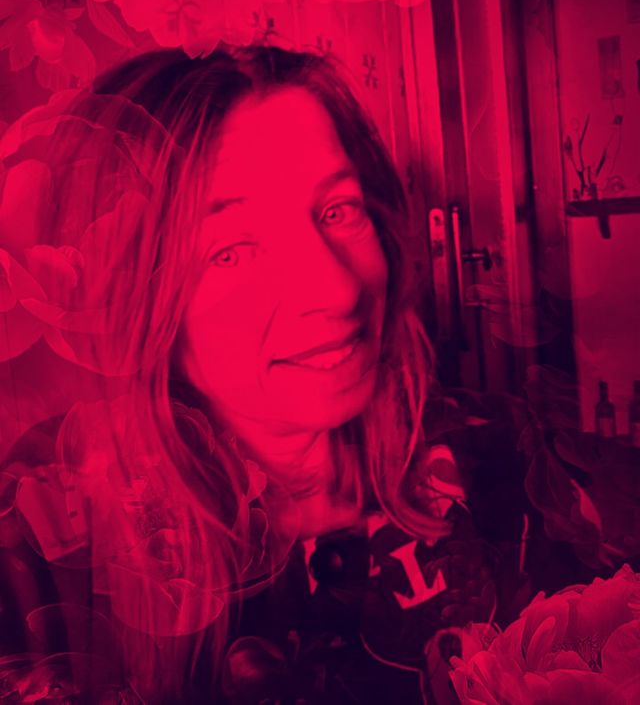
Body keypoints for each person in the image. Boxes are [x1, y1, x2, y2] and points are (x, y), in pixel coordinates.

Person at [0, 44, 593, 704]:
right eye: (230, 250)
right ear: (130, 293)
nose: (339, 289)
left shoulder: (499, 455)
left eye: (339, 210)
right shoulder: (48, 535)